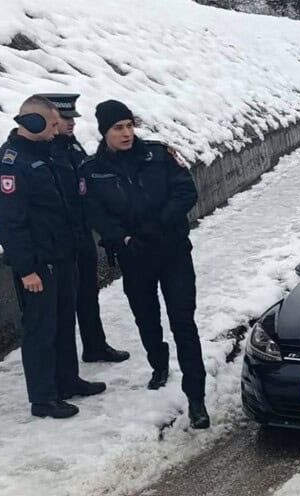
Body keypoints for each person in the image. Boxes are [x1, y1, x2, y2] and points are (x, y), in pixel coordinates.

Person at [80, 100, 210, 429]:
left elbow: (185, 192)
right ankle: (158, 363)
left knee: (184, 323)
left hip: (172, 252)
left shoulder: (159, 155)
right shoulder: (92, 170)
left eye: (129, 126)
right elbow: (95, 213)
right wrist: (122, 238)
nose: (126, 133)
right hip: (134, 257)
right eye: (117, 128)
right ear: (104, 132)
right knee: (147, 319)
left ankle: (196, 398)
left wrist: (159, 224)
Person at [0, 95, 106, 418]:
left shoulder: (44, 153)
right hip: (39, 263)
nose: (58, 130)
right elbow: (9, 222)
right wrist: (27, 269)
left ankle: (67, 381)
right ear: (33, 122)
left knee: (63, 321)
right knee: (41, 329)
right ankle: (43, 398)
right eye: (53, 124)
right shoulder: (11, 163)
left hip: (62, 256)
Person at [43, 93, 130, 364]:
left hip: (82, 232)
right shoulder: (46, 151)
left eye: (73, 118)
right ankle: (62, 366)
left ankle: (95, 345)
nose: (71, 123)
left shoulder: (71, 146)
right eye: (65, 118)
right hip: (61, 237)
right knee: (64, 303)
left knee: (88, 293)